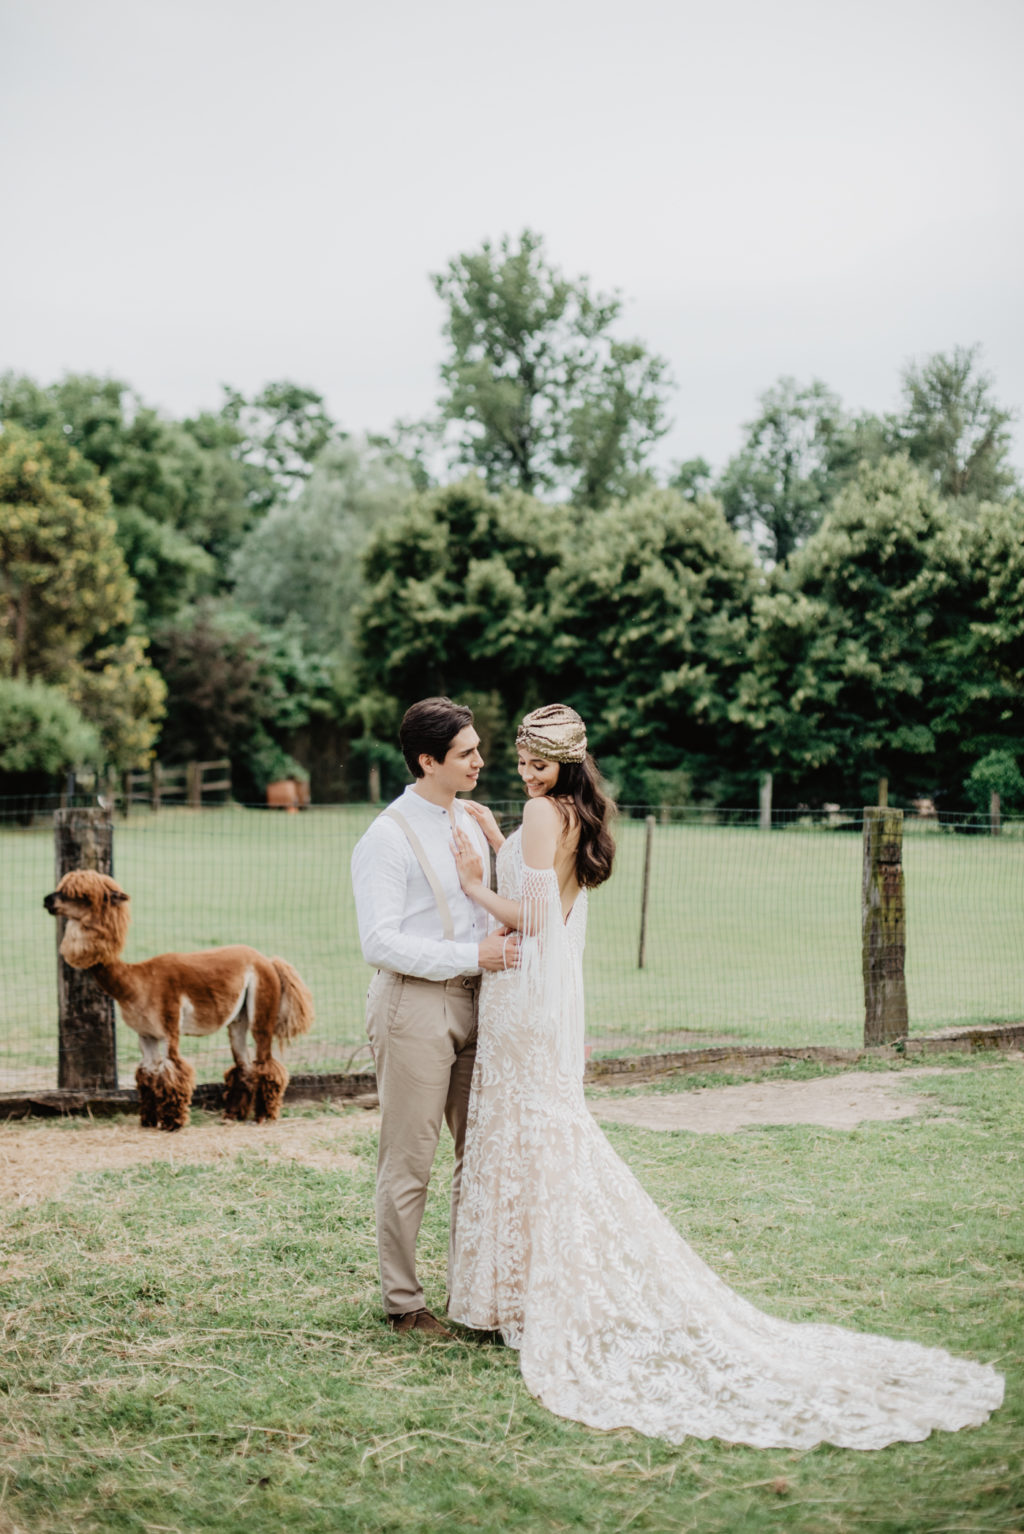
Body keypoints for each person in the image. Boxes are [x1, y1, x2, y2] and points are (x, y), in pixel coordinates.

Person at [446, 702, 1004, 1449]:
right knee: (534, 1135)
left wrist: (473, 885)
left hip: (522, 995)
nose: (526, 773)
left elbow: (538, 920)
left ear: (568, 763)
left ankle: (516, 1297)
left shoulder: (546, 813)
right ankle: (519, 1294)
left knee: (525, 1135)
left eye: (538, 764)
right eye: (521, 760)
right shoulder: (573, 812)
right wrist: (493, 836)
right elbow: (548, 885)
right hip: (536, 999)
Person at [351, 696, 518, 1337]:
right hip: (414, 1006)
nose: (481, 759)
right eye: (466, 753)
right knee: (410, 1159)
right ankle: (404, 1303)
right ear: (427, 760)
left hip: (482, 1002)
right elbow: (379, 942)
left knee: (479, 1155)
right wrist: (470, 954)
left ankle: (469, 1297)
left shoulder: (472, 819)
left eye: (477, 747)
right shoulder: (386, 838)